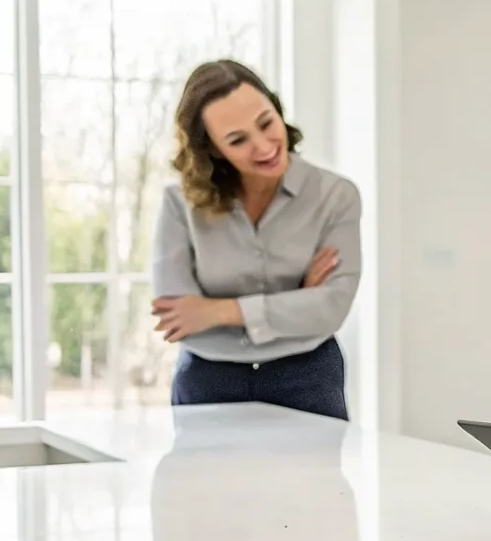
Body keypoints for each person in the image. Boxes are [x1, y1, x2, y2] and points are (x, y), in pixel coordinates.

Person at [150, 59, 361, 421]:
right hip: (209, 378)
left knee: (314, 480)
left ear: (277, 110)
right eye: (237, 139)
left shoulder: (335, 196)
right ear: (213, 149)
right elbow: (178, 314)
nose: (264, 146)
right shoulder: (179, 204)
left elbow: (331, 307)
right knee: (206, 481)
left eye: (266, 123)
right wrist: (294, 299)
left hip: (307, 378)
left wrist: (218, 310)